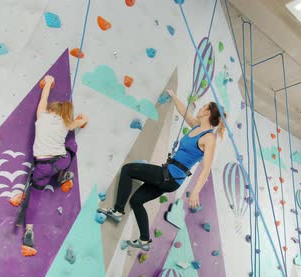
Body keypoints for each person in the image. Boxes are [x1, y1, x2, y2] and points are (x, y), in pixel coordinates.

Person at [97, 89, 226, 251]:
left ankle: (117, 210)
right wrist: (173, 96)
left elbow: (206, 168)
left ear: (207, 113)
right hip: (169, 177)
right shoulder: (196, 127)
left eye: (203, 107)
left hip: (171, 176)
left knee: (128, 169)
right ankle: (144, 240)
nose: (200, 108)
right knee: (136, 201)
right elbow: (184, 111)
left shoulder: (209, 138)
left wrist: (195, 191)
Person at [22, 75, 88, 248]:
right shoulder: (66, 123)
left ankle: (29, 230)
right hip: (60, 162)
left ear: (51, 110)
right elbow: (82, 121)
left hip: (42, 168)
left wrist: (49, 83)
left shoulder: (41, 116)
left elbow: (43, 98)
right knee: (72, 144)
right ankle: (64, 175)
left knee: (35, 197)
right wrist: (82, 119)